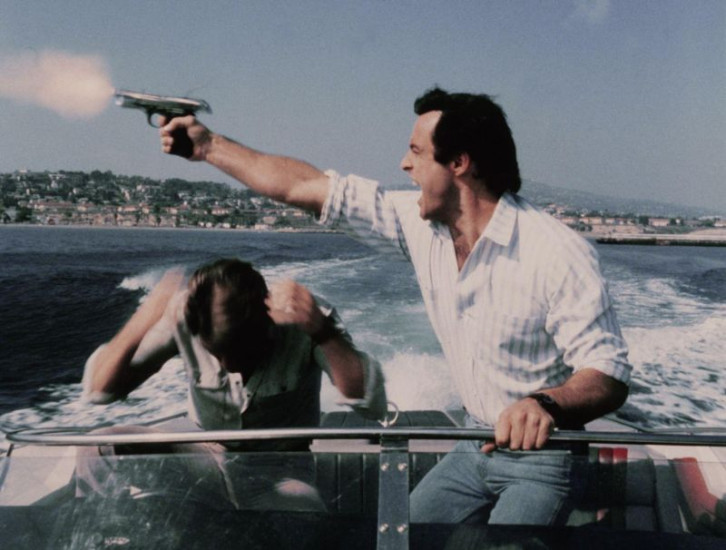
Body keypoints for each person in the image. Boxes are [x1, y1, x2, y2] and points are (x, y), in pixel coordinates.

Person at [158, 87, 632, 526]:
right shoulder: (421, 226)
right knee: (399, 537)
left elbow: (607, 374)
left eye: (416, 152)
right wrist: (208, 146)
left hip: (546, 457)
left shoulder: (555, 251)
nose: (404, 164)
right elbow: (303, 186)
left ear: (459, 164)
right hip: (474, 442)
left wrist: (544, 403)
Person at [79, 257, 387, 511]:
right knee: (99, 447)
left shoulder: (308, 320)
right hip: (199, 448)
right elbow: (100, 391)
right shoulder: (184, 314)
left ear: (268, 324)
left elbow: (372, 405)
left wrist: (323, 332)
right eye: (216, 352)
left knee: (303, 510)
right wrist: (143, 319)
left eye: (239, 350)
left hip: (278, 466)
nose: (228, 365)